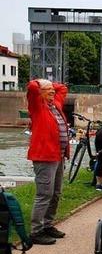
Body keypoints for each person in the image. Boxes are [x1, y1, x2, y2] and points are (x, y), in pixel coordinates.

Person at [25, 79, 70, 245]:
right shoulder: (37, 107)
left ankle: (48, 225)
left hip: (58, 155)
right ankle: (36, 231)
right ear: (40, 92)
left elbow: (63, 88)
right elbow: (31, 87)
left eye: (52, 89)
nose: (52, 91)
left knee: (56, 193)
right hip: (44, 157)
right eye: (47, 89)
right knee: (44, 194)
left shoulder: (55, 104)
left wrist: (49, 84)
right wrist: (39, 82)